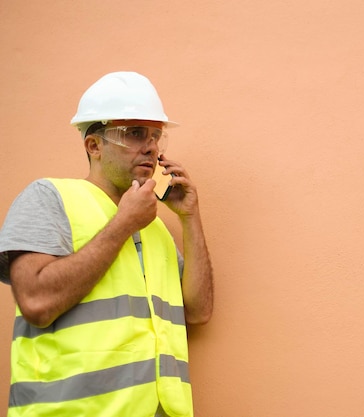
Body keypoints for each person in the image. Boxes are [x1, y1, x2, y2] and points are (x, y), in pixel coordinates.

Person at [0, 71, 213, 417]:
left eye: (156, 136)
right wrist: (124, 223)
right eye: (134, 133)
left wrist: (190, 218)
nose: (151, 147)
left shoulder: (155, 227)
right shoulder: (49, 198)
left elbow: (197, 312)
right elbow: (36, 302)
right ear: (94, 146)